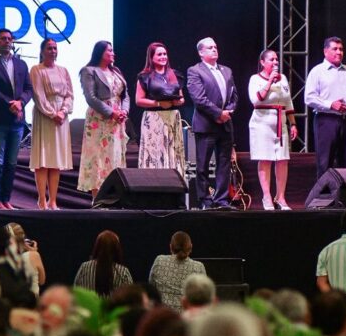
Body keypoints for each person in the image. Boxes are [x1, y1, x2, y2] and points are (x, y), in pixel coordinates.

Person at [0, 27, 34, 209]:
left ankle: (6, 199)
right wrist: (10, 103)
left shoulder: (21, 64)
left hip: (16, 121)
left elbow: (28, 89)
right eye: (3, 38)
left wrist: (21, 102)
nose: (7, 41)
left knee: (11, 163)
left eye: (10, 39)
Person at [186, 37, 239, 209]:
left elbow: (234, 96)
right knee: (202, 165)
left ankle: (221, 200)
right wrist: (218, 114)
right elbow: (199, 98)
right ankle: (206, 201)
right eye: (210, 47)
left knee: (224, 164)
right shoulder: (195, 71)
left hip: (225, 124)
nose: (214, 49)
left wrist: (227, 112)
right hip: (206, 125)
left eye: (215, 47)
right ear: (201, 52)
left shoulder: (227, 70)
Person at [304, 36, 346, 175]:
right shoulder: (317, 71)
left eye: (341, 49)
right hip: (326, 121)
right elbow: (309, 98)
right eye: (335, 49)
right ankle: (325, 190)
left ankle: (345, 190)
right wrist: (330, 104)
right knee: (325, 163)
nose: (339, 52)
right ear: (325, 51)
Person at [77, 40, 129, 197]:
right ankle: (98, 199)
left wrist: (124, 111)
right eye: (109, 51)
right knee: (98, 158)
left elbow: (125, 95)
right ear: (100, 53)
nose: (113, 53)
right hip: (99, 120)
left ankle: (114, 198)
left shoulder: (116, 71)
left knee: (114, 157)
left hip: (117, 122)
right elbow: (91, 97)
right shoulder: (89, 71)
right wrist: (111, 112)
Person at [248, 49, 298, 210]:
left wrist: (293, 123)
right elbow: (256, 100)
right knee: (265, 159)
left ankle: (280, 197)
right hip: (262, 123)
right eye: (271, 59)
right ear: (262, 62)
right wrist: (269, 81)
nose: (276, 62)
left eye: (276, 59)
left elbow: (288, 102)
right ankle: (267, 197)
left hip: (280, 122)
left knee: (282, 160)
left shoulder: (283, 79)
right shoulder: (255, 79)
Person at [29, 38, 74, 210]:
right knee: (43, 159)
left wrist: (63, 111)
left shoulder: (63, 70)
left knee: (56, 160)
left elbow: (70, 94)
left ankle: (53, 200)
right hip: (45, 116)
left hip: (61, 117)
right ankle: (42, 199)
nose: (53, 51)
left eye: (55, 48)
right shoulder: (36, 70)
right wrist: (52, 113)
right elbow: (38, 95)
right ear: (42, 51)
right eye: (49, 48)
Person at [135, 42, 187, 179]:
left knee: (173, 151)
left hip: (172, 118)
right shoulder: (144, 76)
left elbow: (182, 98)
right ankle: (154, 182)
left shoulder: (174, 74)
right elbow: (139, 100)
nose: (163, 56)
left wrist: (178, 101)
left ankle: (174, 182)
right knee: (155, 153)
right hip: (154, 118)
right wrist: (158, 103)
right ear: (151, 57)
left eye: (165, 54)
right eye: (159, 54)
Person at [149, 231, 206, 312]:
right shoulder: (198, 267)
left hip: (162, 314)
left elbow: (151, 287)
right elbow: (203, 296)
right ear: (191, 247)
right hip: (187, 317)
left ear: (170, 247)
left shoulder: (159, 260)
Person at [74, 230, 134, 297]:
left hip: (87, 304)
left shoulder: (84, 268)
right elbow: (131, 298)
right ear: (117, 249)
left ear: (97, 247)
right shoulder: (123, 273)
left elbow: (75, 293)